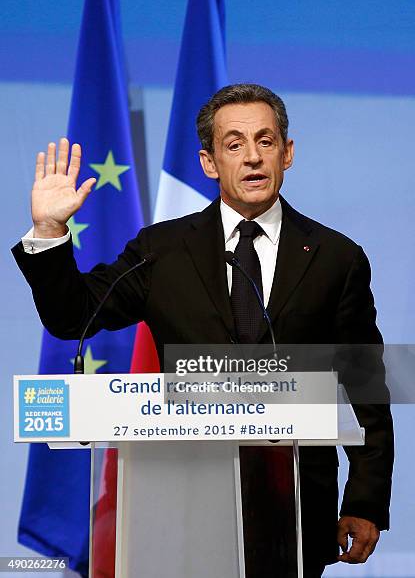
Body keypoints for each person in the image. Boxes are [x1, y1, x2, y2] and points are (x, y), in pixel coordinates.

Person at [13, 84, 393, 577]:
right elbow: (73, 316)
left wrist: (364, 499)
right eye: (234, 145)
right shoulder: (161, 250)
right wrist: (48, 232)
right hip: (180, 494)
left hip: (294, 502)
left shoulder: (336, 258)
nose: (252, 157)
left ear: (288, 152)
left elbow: (366, 385)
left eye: (266, 141)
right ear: (210, 162)